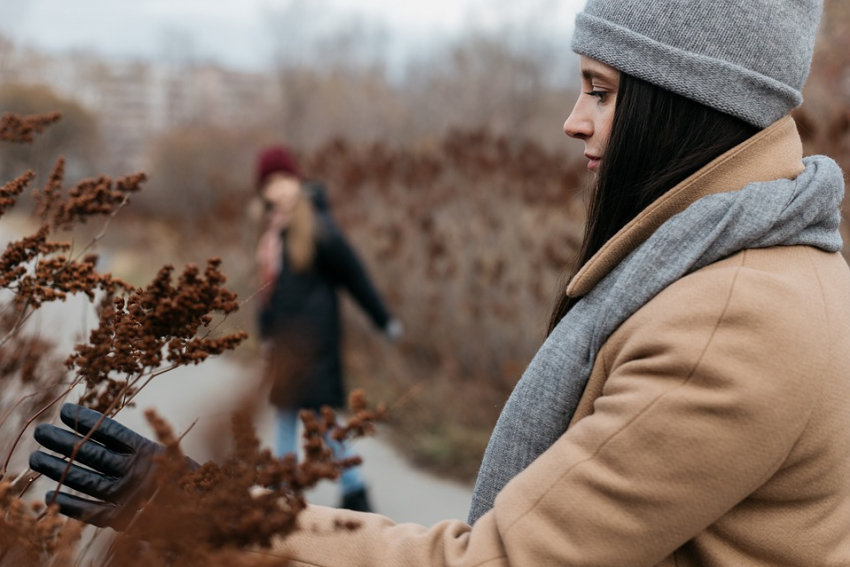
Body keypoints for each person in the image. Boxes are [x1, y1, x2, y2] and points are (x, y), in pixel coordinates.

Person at [29, 0, 850, 564]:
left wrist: (209, 510)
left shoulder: (727, 322)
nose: (573, 119)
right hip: (293, 361)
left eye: (601, 91)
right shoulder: (774, 266)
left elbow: (502, 558)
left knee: (322, 446)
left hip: (316, 365)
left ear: (684, 106)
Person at [252, 145, 402, 513]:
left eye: (286, 179)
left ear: (298, 179)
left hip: (316, 345)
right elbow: (269, 293)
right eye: (272, 183)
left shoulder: (317, 226)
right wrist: (266, 333)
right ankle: (311, 491)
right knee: (291, 417)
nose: (281, 189)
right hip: (287, 344)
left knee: (320, 422)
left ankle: (342, 491)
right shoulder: (274, 232)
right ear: (262, 191)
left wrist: (383, 319)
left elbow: (355, 275)